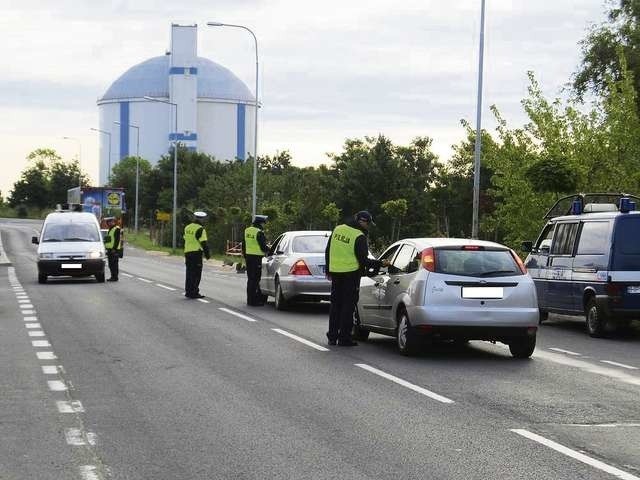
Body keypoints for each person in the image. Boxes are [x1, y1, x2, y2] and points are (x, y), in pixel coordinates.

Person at [325, 210, 388, 346]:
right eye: (368, 224)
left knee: (335, 305)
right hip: (351, 274)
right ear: (363, 222)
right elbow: (363, 260)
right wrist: (380, 263)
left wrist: (328, 269)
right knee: (348, 306)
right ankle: (344, 338)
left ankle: (332, 336)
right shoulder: (359, 236)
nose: (368, 227)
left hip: (336, 272)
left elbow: (328, 250)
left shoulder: (338, 229)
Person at [242, 215, 269, 306]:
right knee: (256, 279)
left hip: (248, 257)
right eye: (263, 223)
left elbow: (244, 244)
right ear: (261, 223)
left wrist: (245, 255)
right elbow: (263, 247)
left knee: (250, 279)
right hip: (257, 258)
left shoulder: (247, 230)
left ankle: (250, 300)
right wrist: (269, 249)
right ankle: (254, 301)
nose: (264, 225)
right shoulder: (259, 232)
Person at [184, 211, 211, 299]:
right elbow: (204, 243)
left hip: (187, 252)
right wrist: (207, 254)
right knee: (196, 274)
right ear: (202, 219)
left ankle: (188, 291)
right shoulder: (200, 229)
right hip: (196, 253)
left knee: (189, 273)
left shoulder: (187, 227)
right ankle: (194, 292)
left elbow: (185, 238)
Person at [104, 217, 123, 282]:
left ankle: (115, 277)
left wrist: (114, 249)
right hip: (110, 250)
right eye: (108, 222)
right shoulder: (110, 229)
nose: (109, 223)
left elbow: (117, 240)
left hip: (114, 250)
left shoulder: (116, 229)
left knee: (114, 264)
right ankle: (113, 276)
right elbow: (110, 239)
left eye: (110, 222)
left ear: (113, 222)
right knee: (110, 264)